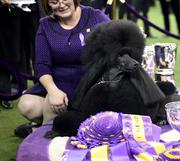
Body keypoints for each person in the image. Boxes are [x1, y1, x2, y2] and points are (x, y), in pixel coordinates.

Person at [14, 0, 110, 138]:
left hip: (90, 82)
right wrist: (53, 91)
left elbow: (117, 43)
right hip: (58, 81)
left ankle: (39, 130)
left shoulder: (95, 17)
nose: (61, 4)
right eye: (54, 2)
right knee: (28, 105)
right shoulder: (45, 25)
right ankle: (47, 132)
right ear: (47, 5)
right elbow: (41, 64)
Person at [0, 0, 41, 109]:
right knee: (8, 50)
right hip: (8, 10)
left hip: (33, 8)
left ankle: (40, 86)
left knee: (37, 47)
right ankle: (6, 93)